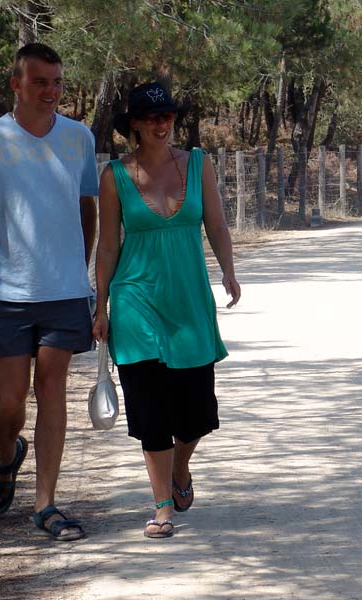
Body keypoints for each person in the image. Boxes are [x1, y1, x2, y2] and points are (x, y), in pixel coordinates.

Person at [0, 43, 96, 542]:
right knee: (9, 400)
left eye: (57, 82)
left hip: (63, 293)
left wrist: (79, 276)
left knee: (52, 387)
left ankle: (47, 504)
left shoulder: (80, 138)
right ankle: (5, 455)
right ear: (16, 84)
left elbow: (87, 209)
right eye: (40, 82)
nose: (51, 92)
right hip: (5, 293)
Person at [93, 81, 240, 539]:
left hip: (189, 298)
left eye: (168, 116)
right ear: (133, 124)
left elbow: (215, 221)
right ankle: (161, 508)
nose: (162, 124)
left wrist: (229, 272)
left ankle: (181, 468)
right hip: (136, 298)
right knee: (149, 405)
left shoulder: (199, 164)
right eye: (152, 117)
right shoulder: (114, 176)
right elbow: (108, 246)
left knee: (196, 412)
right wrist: (101, 306)